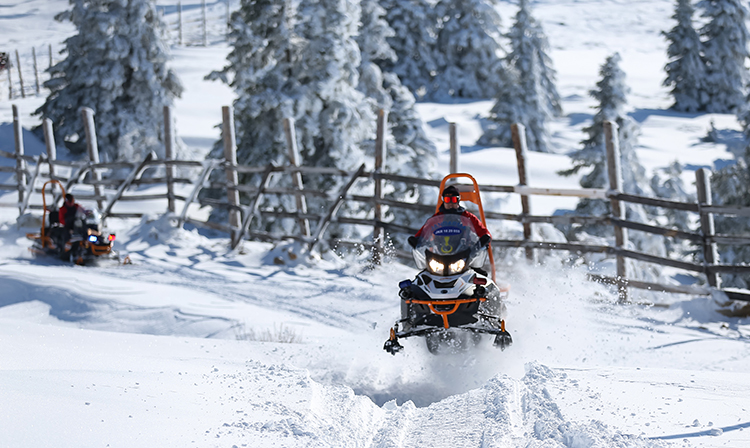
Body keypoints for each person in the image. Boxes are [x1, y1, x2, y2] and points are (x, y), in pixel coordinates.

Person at [408, 185, 491, 249]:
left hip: (464, 252)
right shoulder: (437, 218)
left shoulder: (467, 217)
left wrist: (484, 238)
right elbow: (425, 230)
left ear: (458, 201)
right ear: (443, 201)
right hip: (439, 253)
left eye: (454, 200)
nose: (451, 203)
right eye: (447, 200)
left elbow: (482, 230)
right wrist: (417, 240)